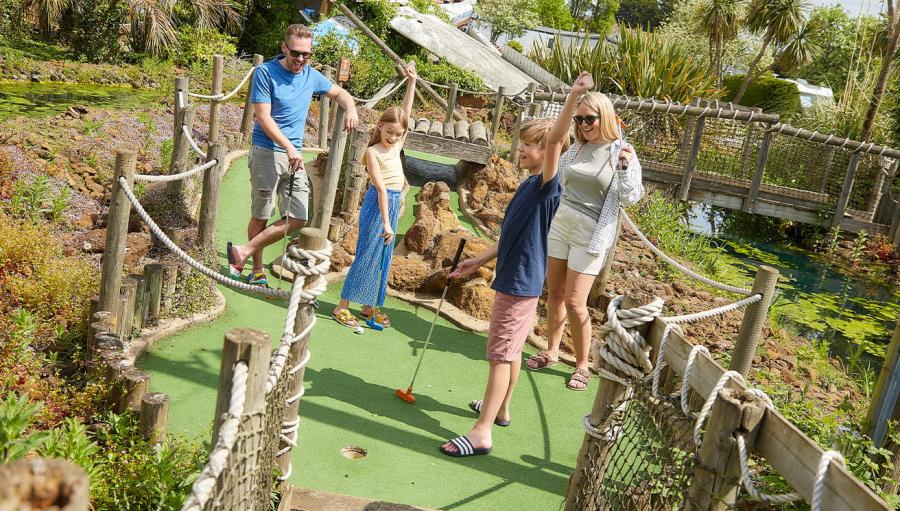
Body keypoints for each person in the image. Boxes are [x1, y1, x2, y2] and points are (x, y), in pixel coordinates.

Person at [438, 115, 572, 457]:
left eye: (529, 144)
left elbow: (557, 139)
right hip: (516, 278)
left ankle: (482, 432)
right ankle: (500, 409)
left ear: (548, 152)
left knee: (499, 356)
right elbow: (511, 234)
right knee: (511, 353)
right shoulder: (528, 185)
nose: (521, 148)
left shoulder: (547, 185)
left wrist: (573, 96)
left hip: (520, 281)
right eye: (523, 142)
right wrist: (477, 261)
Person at [525, 72, 644, 391]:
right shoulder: (577, 147)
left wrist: (622, 167)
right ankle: (551, 350)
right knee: (555, 294)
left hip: (591, 233)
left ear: (603, 116)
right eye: (580, 119)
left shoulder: (622, 151)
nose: (584, 124)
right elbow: (559, 177)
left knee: (577, 302)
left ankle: (582, 365)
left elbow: (631, 195)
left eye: (589, 118)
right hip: (562, 225)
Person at [226, 24, 359, 287]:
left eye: (306, 54)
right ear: (284, 48)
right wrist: (287, 145)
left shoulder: (311, 76)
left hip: (293, 155)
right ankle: (257, 269)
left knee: (298, 216)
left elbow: (340, 93)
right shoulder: (266, 73)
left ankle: (242, 251)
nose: (300, 59)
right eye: (296, 53)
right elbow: (262, 117)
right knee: (262, 213)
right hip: (268, 151)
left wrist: (351, 108)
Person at [330, 63, 418, 330]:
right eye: (389, 132)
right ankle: (341, 307)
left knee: (383, 257)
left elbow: (406, 112)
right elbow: (380, 189)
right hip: (377, 205)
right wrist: (389, 223)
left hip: (391, 204)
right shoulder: (373, 152)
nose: (392, 138)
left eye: (397, 134)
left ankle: (369, 307)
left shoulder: (397, 143)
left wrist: (412, 82)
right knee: (368, 253)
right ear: (379, 127)